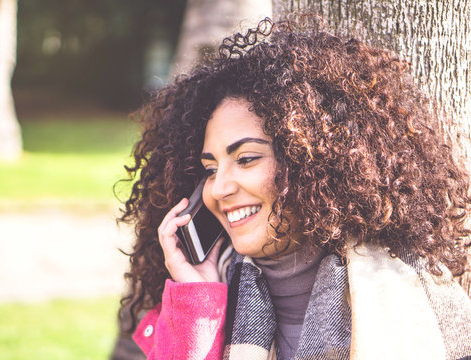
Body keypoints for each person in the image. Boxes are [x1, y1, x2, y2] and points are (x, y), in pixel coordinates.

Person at [116, 16, 471, 360]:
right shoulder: (203, 302)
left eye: (246, 159)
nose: (219, 189)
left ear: (311, 161)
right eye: (210, 169)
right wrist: (198, 303)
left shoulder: (412, 297)